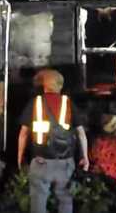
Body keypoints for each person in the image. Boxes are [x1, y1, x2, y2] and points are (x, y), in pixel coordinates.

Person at [17, 69, 89, 213]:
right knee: (66, 201)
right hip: (65, 163)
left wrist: (20, 157)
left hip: (40, 162)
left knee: (38, 202)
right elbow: (81, 134)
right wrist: (85, 157)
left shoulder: (35, 103)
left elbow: (23, 134)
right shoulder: (68, 104)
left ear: (44, 85)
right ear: (60, 86)